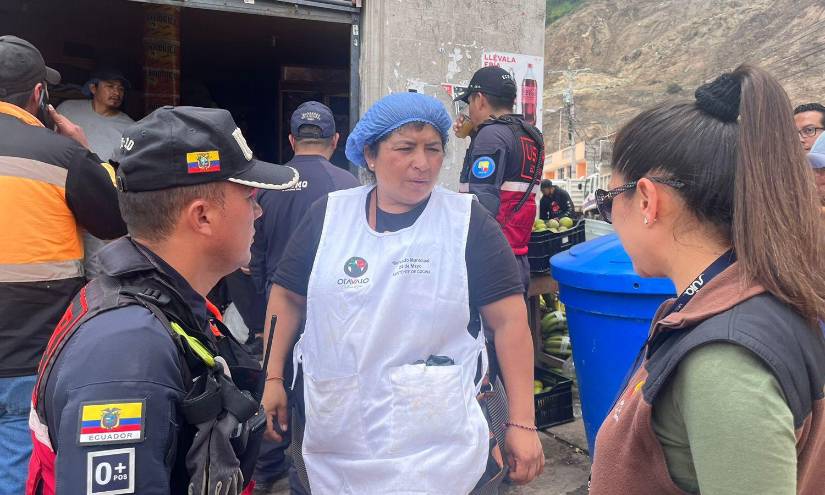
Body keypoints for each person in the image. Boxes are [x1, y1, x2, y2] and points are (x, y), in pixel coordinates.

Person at [261, 92, 543, 494]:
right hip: (337, 441)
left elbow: (511, 324)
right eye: (406, 148)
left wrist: (522, 423)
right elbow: (287, 299)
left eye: (433, 148)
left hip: (441, 450)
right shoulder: (328, 216)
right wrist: (273, 376)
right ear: (370, 155)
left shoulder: (467, 223)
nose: (422, 163)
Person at [26, 106, 300, 495]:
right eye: (250, 197)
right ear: (202, 216)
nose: (258, 213)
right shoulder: (126, 351)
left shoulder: (167, 306)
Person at [589, 66, 825, 494]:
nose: (610, 217)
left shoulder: (725, 361)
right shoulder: (754, 296)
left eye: (608, 200)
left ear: (647, 200)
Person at [0, 35, 126, 495]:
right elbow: (115, 223)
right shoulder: (62, 156)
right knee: (18, 468)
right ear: (39, 94)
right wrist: (84, 152)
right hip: (28, 353)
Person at [247, 100, 359, 490]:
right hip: (332, 314)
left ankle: (266, 472)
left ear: (292, 140)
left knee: (275, 386)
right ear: (336, 140)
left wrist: (262, 314)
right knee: (321, 397)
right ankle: (311, 470)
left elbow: (255, 256)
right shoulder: (350, 187)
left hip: (277, 310)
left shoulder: (267, 187)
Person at [453, 66, 544, 292]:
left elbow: (482, 202)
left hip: (489, 259)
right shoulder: (530, 134)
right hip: (516, 254)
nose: (469, 110)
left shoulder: (491, 135)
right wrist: (474, 134)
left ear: (479, 100)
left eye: (469, 102)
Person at [57, 68, 135, 278]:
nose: (116, 92)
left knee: (97, 260)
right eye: (110, 86)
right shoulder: (68, 110)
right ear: (93, 88)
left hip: (100, 198)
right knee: (65, 254)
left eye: (121, 89)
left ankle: (93, 292)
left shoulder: (129, 127)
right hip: (63, 194)